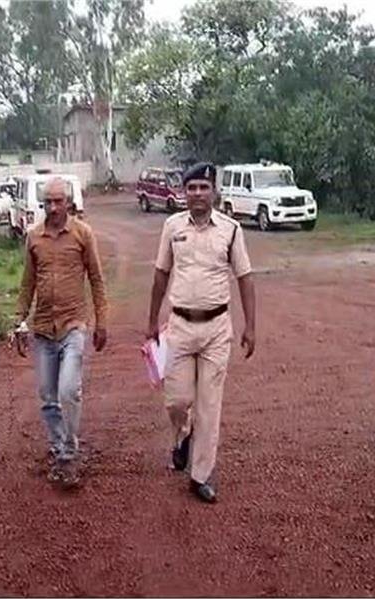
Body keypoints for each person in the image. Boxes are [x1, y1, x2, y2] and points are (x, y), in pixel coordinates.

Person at [146, 161, 256, 504]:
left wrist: (251, 326)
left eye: (203, 188)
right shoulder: (172, 226)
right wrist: (151, 322)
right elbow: (161, 274)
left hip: (216, 329)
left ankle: (201, 475)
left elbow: (245, 278)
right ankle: (183, 435)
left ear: (213, 192)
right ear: (184, 192)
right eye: (191, 188)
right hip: (179, 326)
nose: (197, 194)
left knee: (210, 405)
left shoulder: (231, 230)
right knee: (177, 401)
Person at [13, 177, 108, 487]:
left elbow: (96, 279)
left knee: (69, 390)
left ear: (68, 202)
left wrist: (102, 321)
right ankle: (57, 446)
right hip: (43, 328)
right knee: (47, 395)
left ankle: (69, 452)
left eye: (58, 201)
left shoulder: (83, 234)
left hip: (73, 325)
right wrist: (19, 321)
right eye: (48, 202)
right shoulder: (33, 237)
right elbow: (27, 283)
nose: (53, 208)